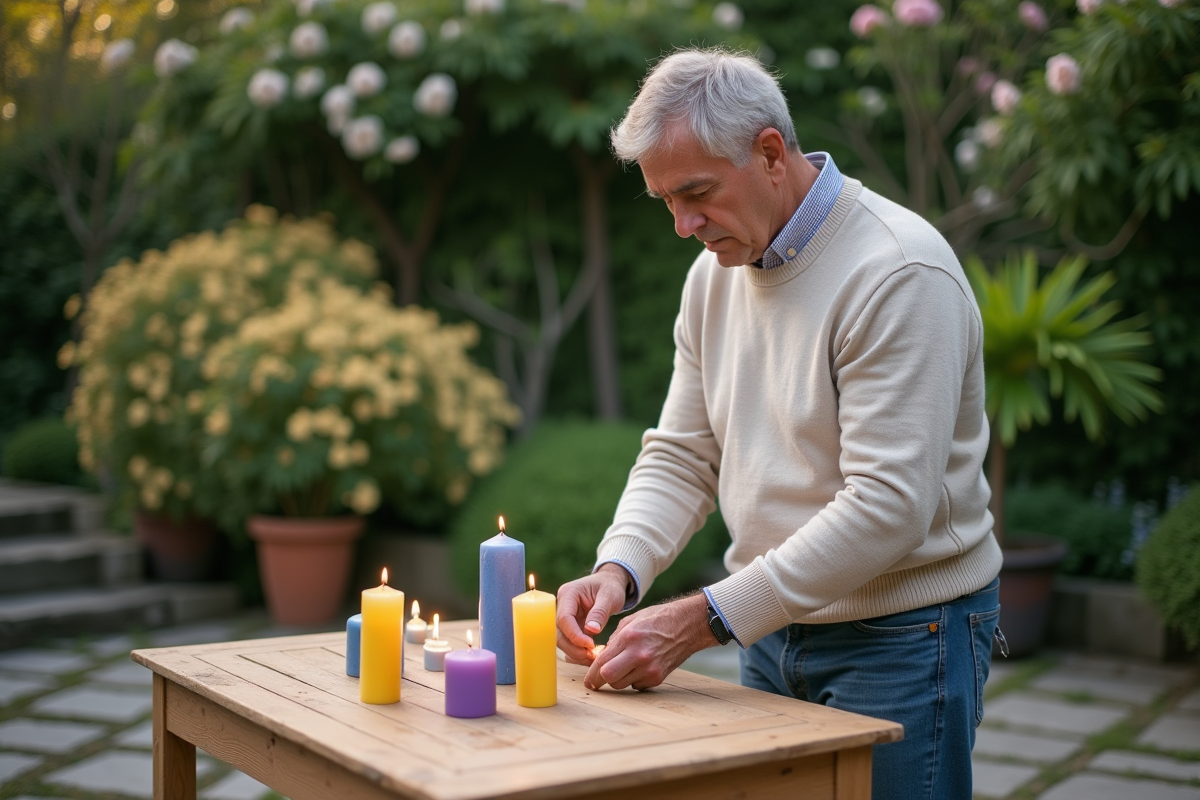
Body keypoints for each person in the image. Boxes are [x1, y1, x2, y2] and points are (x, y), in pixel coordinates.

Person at [554, 47, 1004, 799]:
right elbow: (682, 454)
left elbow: (889, 507)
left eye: (695, 192)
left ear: (769, 152)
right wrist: (619, 569)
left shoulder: (898, 271)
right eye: (665, 200)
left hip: (903, 636)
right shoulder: (713, 276)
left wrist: (702, 620)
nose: (681, 225)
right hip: (765, 627)